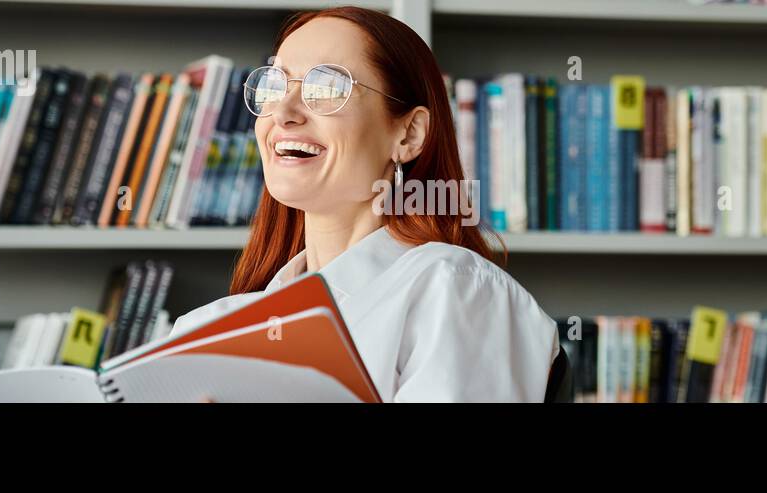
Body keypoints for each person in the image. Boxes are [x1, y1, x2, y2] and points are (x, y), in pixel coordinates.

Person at [171, 6, 559, 402]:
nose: (283, 113)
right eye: (274, 86)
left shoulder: (454, 290)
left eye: (327, 89)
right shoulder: (204, 329)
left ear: (408, 134)